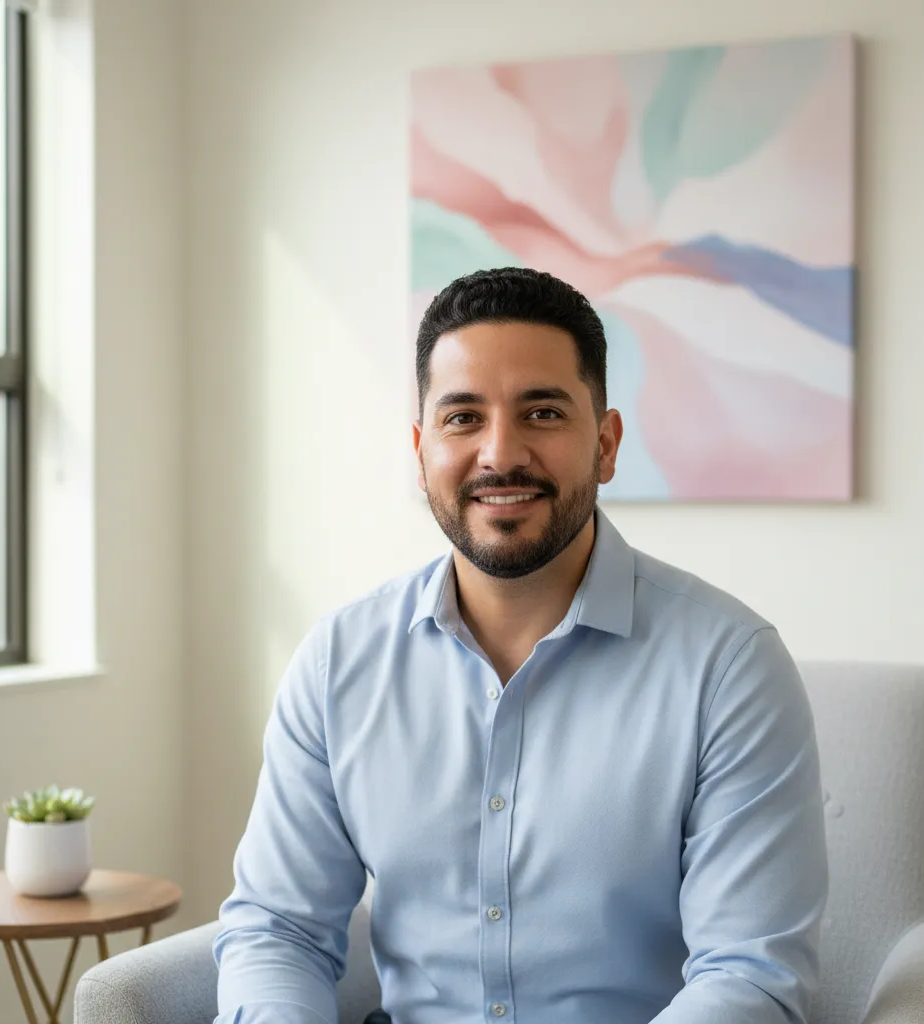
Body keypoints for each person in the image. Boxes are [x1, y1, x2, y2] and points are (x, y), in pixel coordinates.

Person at [213, 267, 828, 1024]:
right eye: (463, 418)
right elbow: (279, 930)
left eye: (541, 412)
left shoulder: (730, 668)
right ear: (421, 448)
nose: (500, 454)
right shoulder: (339, 663)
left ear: (605, 445)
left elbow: (750, 973)